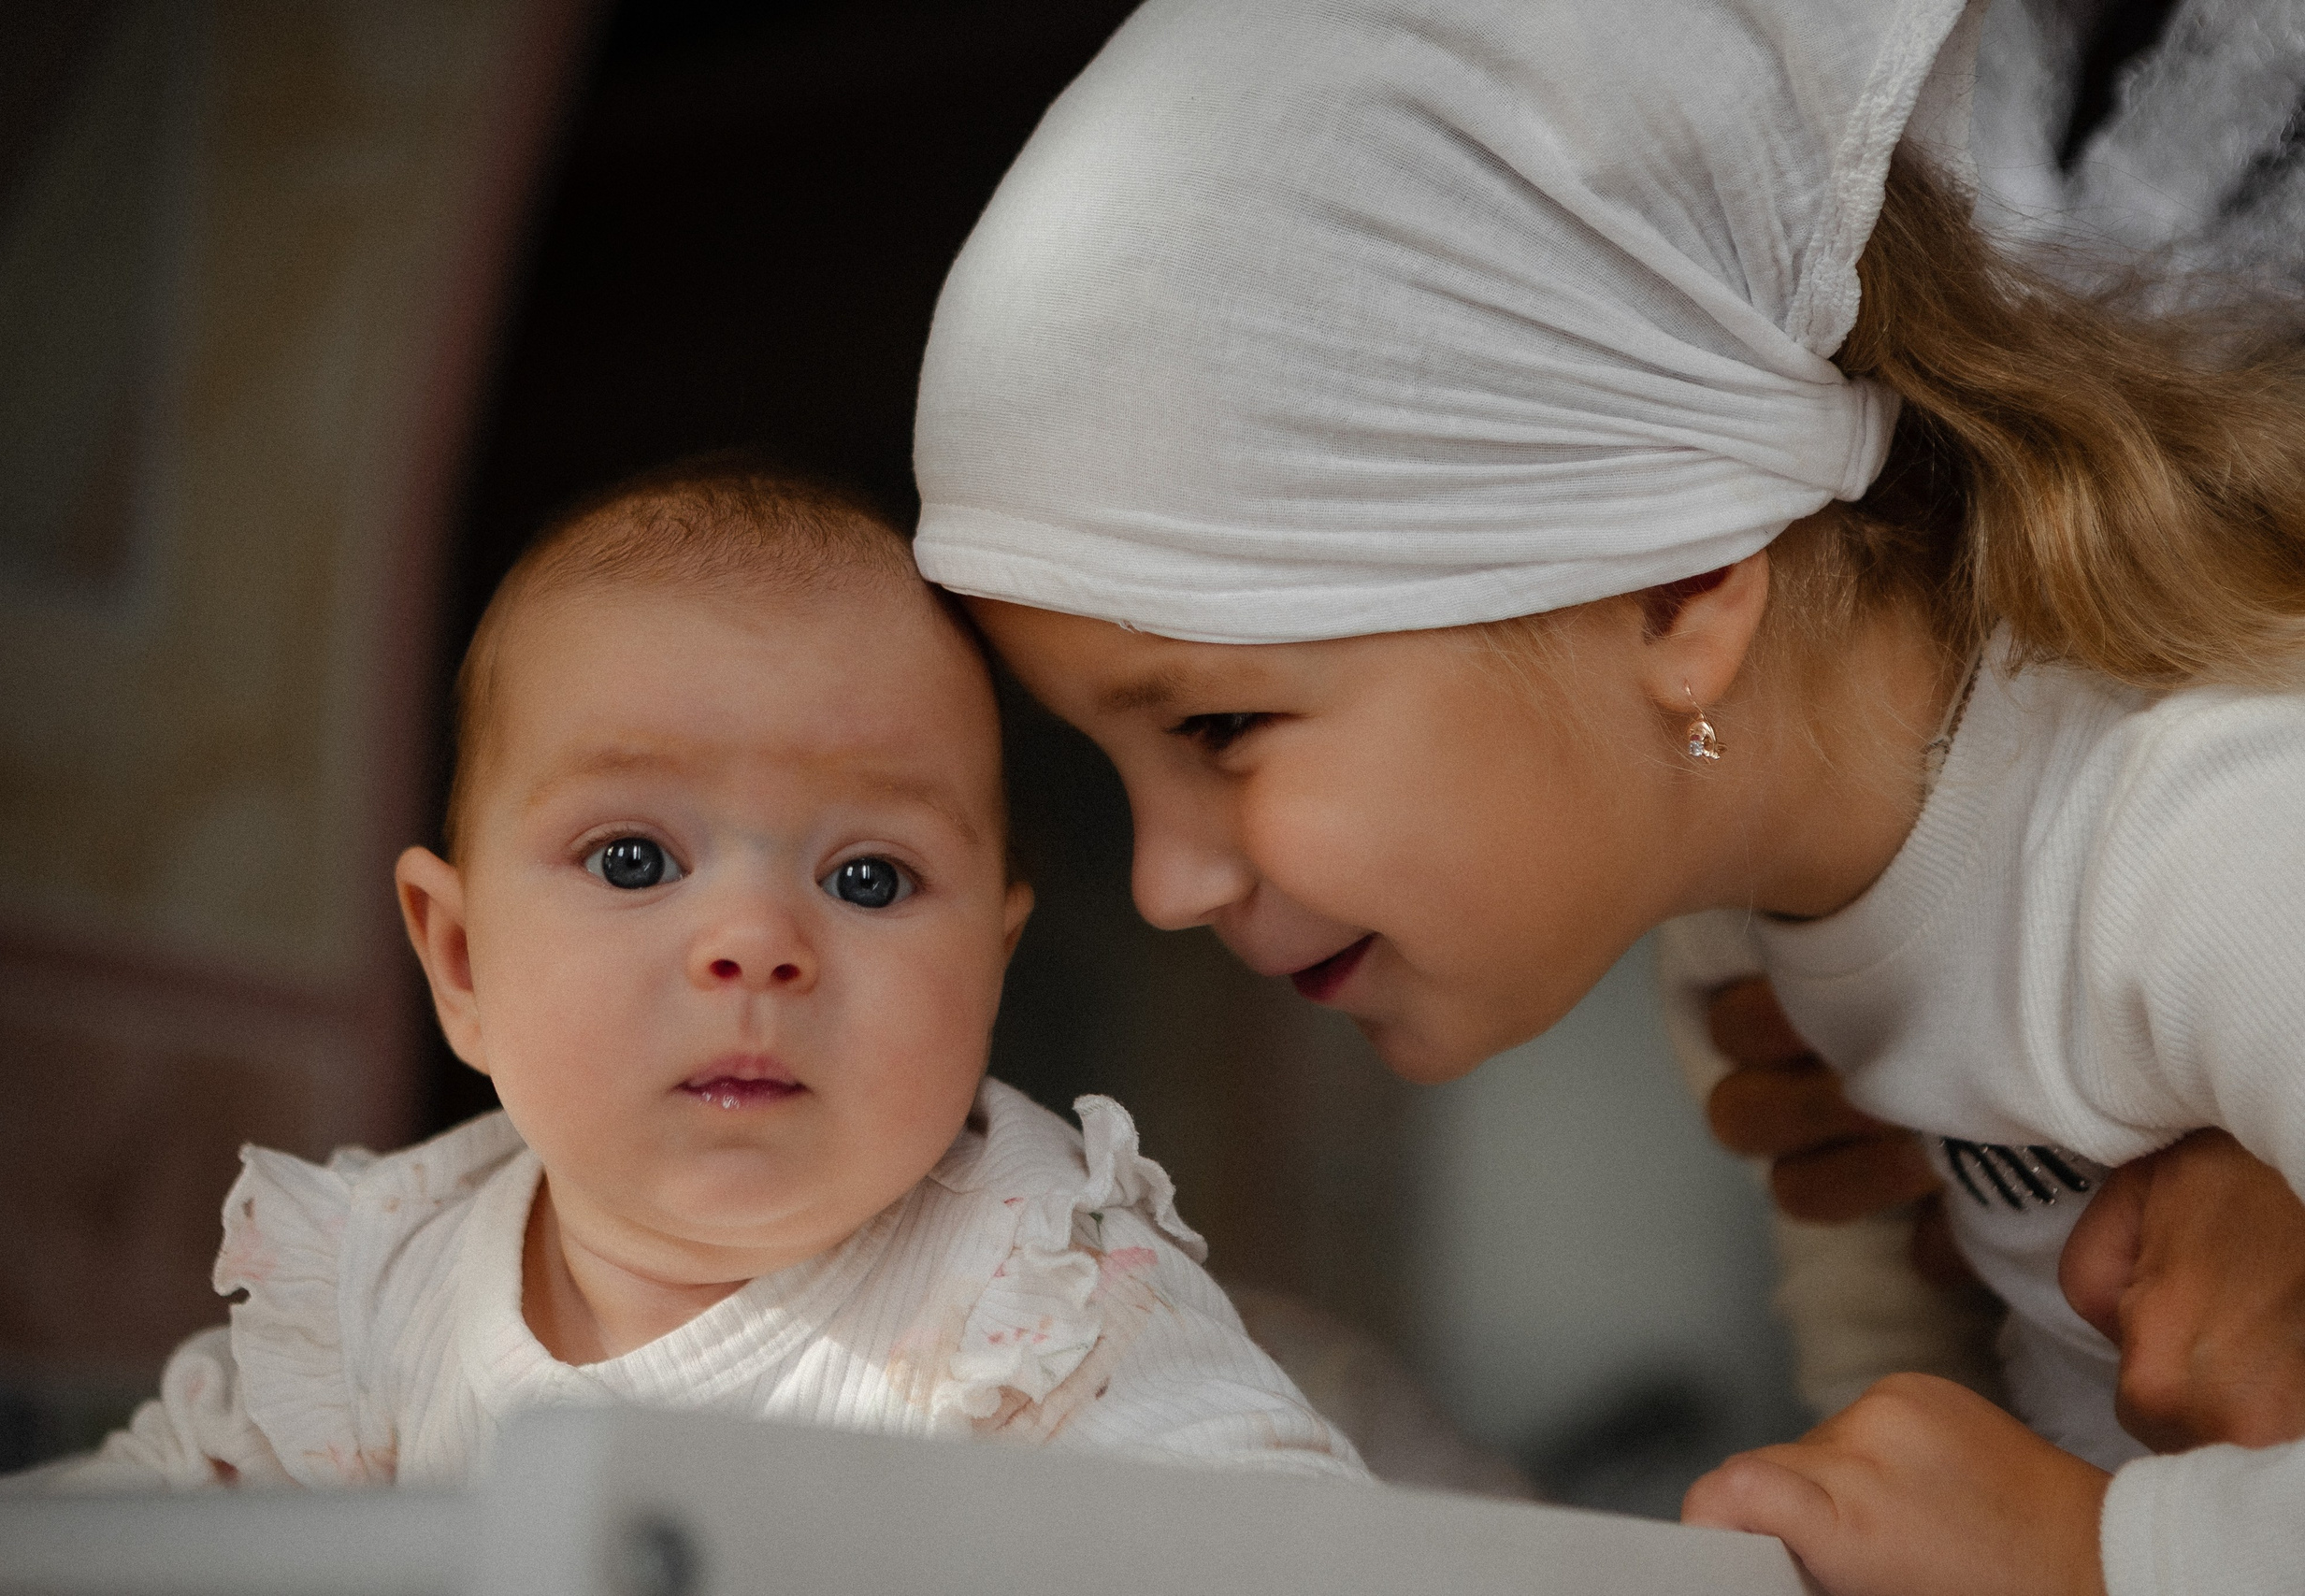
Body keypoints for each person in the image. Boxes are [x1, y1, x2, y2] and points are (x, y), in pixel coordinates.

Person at [905, 1, 2305, 1592]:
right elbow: (1899, 1436)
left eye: (1220, 725)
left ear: (1676, 593)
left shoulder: (2216, 836)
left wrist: (2112, 1556)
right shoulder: (1747, 936)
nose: (1164, 883)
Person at [0, 461, 1363, 1490]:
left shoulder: (1037, 1293)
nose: (755, 942)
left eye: (868, 879)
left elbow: (1297, 1551)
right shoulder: (375, 1290)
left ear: (989, 972)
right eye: (637, 859)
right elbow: (102, 1543)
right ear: (460, 961)